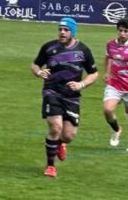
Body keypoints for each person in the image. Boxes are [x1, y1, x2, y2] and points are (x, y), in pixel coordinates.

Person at [31, 17, 99, 177]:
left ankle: (61, 143)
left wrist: (81, 84)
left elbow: (94, 73)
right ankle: (50, 166)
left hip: (72, 96)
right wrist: (39, 72)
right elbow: (35, 65)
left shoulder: (83, 50)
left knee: (68, 135)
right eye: (60, 29)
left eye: (66, 30)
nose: (62, 32)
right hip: (51, 91)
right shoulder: (49, 47)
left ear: (73, 32)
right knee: (55, 127)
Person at [102, 18, 128, 152]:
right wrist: (106, 73)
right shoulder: (110, 44)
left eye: (126, 31)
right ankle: (117, 129)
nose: (123, 33)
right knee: (107, 110)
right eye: (120, 30)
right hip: (114, 84)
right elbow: (108, 57)